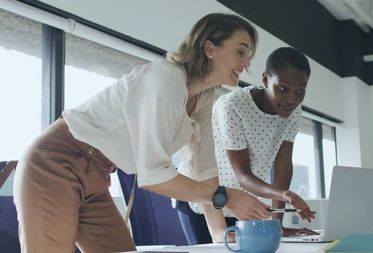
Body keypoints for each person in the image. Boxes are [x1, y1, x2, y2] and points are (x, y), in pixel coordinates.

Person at [12, 13, 271, 253]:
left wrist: (220, 235)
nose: (247, 63)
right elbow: (154, 176)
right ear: (209, 48)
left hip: (97, 175)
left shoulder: (205, 98)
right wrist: (227, 198)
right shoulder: (166, 77)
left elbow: (203, 171)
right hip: (55, 161)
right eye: (240, 52)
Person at [185, 47, 319, 243]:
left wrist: (277, 222)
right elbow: (243, 175)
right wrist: (285, 195)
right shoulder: (233, 105)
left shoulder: (293, 111)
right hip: (204, 202)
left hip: (240, 205)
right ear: (265, 80)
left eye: (300, 91)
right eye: (283, 88)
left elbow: (283, 168)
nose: (292, 98)